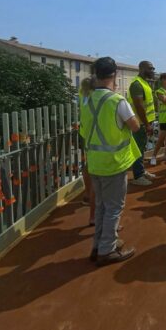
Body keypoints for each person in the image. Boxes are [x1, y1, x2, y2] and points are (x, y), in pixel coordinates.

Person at [80, 57, 139, 266]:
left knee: (102, 206)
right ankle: (107, 250)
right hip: (113, 162)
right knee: (114, 207)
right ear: (114, 75)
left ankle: (99, 245)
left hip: (94, 161)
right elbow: (135, 126)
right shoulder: (116, 101)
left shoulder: (86, 99)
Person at [127, 61, 156, 186]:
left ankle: (141, 171)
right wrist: (147, 124)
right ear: (142, 68)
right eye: (150, 68)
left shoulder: (144, 83)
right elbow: (139, 106)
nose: (153, 70)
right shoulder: (137, 84)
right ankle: (138, 176)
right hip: (138, 123)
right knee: (138, 149)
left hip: (144, 122)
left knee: (142, 148)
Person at [78, 77, 95, 225]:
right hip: (92, 133)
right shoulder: (94, 96)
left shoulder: (82, 94)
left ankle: (87, 194)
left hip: (85, 132)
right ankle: (91, 196)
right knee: (92, 167)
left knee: (87, 165)